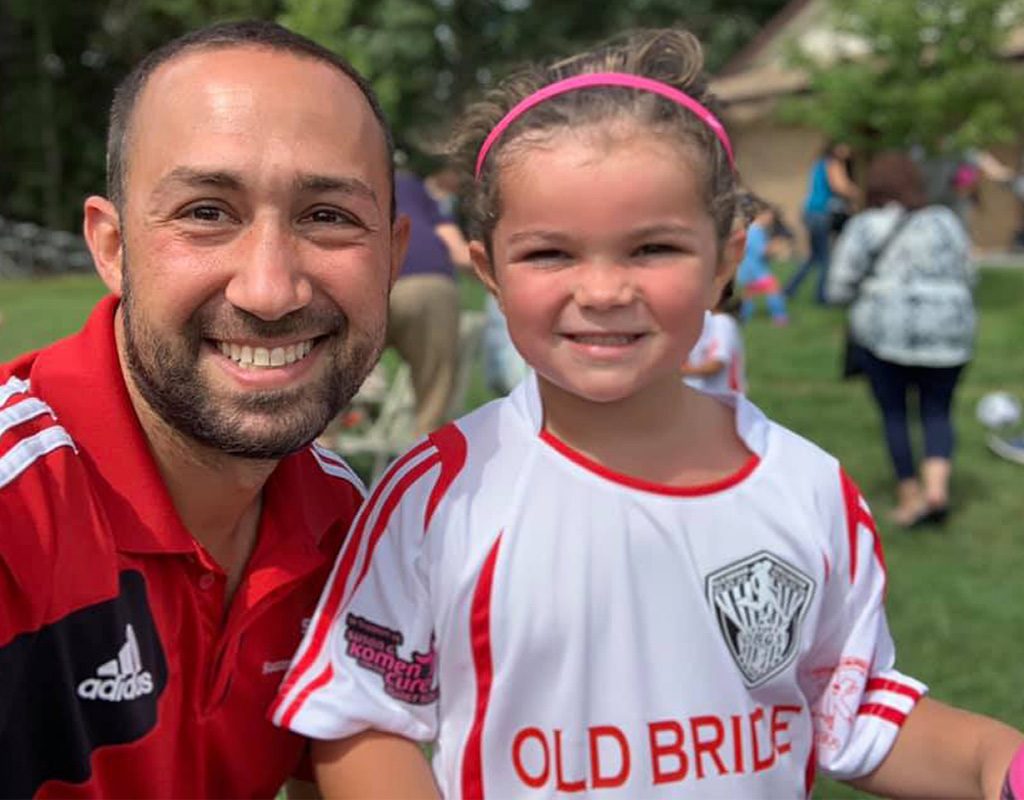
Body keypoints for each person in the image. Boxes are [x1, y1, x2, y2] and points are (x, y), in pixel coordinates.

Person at [274, 28, 1024, 799]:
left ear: (725, 262)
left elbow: (853, 706)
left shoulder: (810, 491)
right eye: (551, 254)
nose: (602, 291)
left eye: (652, 248)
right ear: (489, 274)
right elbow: (361, 716)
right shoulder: (439, 494)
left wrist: (995, 762)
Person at [0, 20, 409, 798]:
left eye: (327, 217)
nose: (269, 288)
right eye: (206, 212)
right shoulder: (15, 512)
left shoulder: (346, 524)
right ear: (113, 247)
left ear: (392, 254)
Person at [827, 152, 976, 528]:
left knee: (895, 412)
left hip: (885, 333)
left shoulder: (866, 226)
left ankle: (910, 496)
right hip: (949, 332)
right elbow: (969, 273)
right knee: (937, 410)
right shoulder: (945, 221)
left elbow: (838, 286)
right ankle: (937, 491)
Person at [390, 169, 471, 436]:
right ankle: (428, 454)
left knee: (333, 368)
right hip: (431, 284)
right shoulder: (417, 189)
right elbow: (460, 253)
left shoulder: (348, 180)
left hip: (371, 282)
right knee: (435, 387)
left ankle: (319, 448)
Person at [786, 140, 860, 304]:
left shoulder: (820, 163)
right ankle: (821, 297)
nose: (849, 149)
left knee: (815, 256)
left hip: (810, 211)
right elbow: (840, 187)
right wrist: (858, 193)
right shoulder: (833, 163)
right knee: (826, 257)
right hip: (820, 213)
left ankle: (789, 289)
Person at [681, 284, 746, 395]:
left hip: (725, 398)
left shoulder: (721, 322)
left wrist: (681, 372)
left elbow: (717, 364)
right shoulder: (711, 321)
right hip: (709, 398)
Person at [736, 196, 789, 325]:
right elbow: (762, 252)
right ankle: (780, 317)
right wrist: (774, 246)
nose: (771, 219)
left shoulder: (752, 230)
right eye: (770, 216)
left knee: (748, 295)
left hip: (748, 270)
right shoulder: (755, 231)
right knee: (774, 288)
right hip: (756, 271)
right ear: (761, 215)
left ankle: (743, 317)